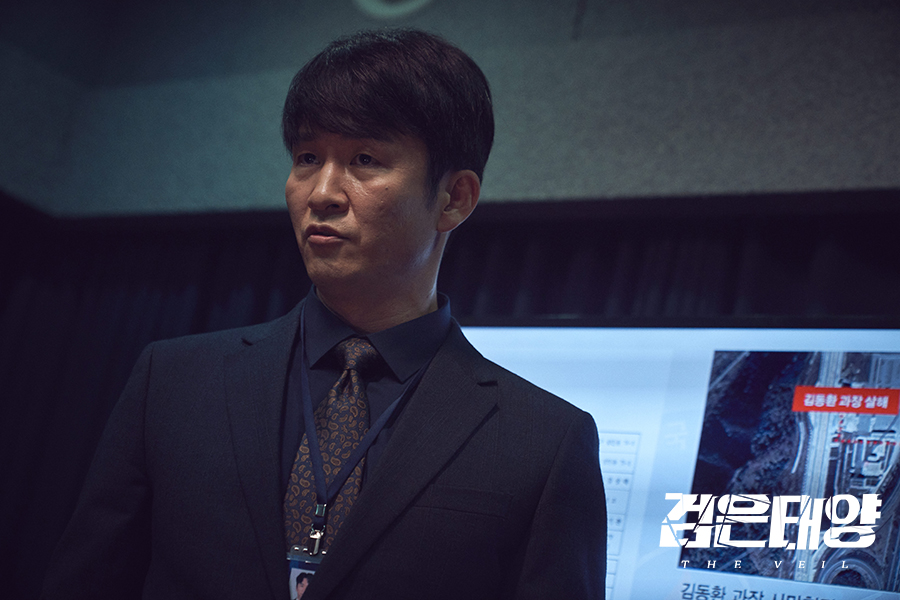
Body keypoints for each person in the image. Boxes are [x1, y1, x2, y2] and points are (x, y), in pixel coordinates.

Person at [42, 28, 606, 600]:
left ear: (454, 198)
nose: (322, 192)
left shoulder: (543, 441)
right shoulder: (174, 382)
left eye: (365, 159)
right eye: (308, 158)